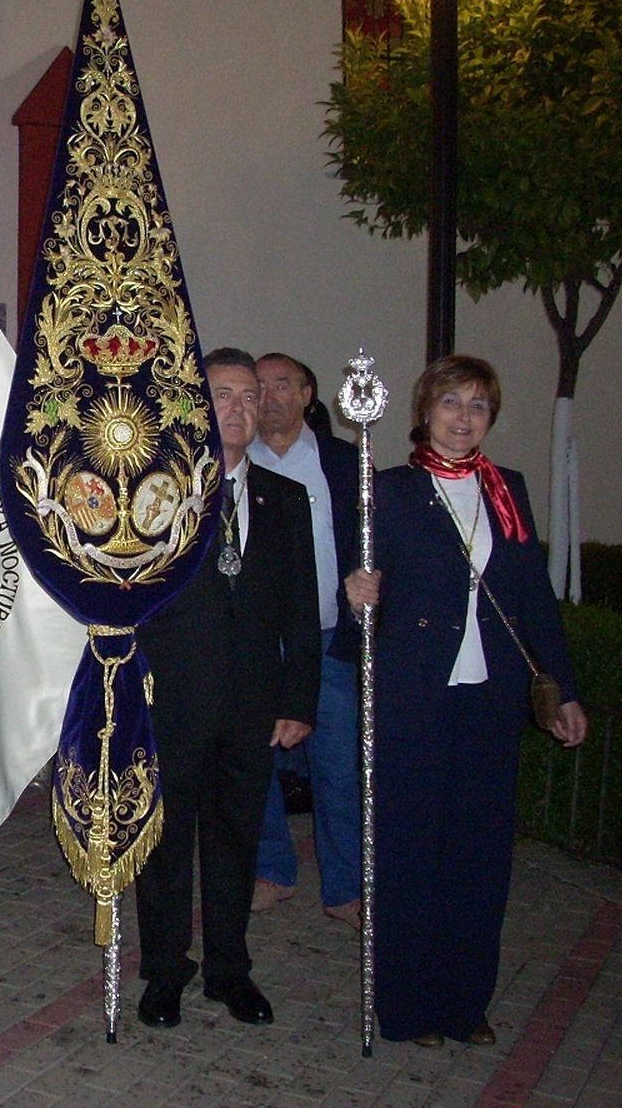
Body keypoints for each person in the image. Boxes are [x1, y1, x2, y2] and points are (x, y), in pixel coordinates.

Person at [345, 354, 587, 1047]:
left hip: (490, 700)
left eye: (478, 406)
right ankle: (408, 1007)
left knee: (479, 858)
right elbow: (363, 590)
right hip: (413, 697)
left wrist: (563, 689)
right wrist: (358, 594)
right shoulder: (388, 490)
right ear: (425, 412)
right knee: (409, 855)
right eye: (451, 403)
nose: (463, 418)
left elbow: (534, 599)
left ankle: (464, 1001)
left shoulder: (506, 489)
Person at [133, 347, 320, 1030]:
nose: (238, 408)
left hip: (252, 705)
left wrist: (299, 700)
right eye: (222, 394)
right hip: (172, 699)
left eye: (248, 396)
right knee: (165, 844)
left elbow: (303, 609)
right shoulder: (153, 496)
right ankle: (164, 973)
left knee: (237, 840)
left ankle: (229, 970)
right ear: (195, 404)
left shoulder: (286, 501)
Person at [248, 352, 363, 926]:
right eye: (259, 386)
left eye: (282, 385)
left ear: (308, 394)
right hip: (260, 649)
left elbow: (375, 543)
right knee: (257, 765)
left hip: (328, 643)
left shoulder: (347, 464)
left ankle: (345, 888)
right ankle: (273, 870)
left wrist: (371, 581)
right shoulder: (236, 464)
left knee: (338, 770)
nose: (269, 396)